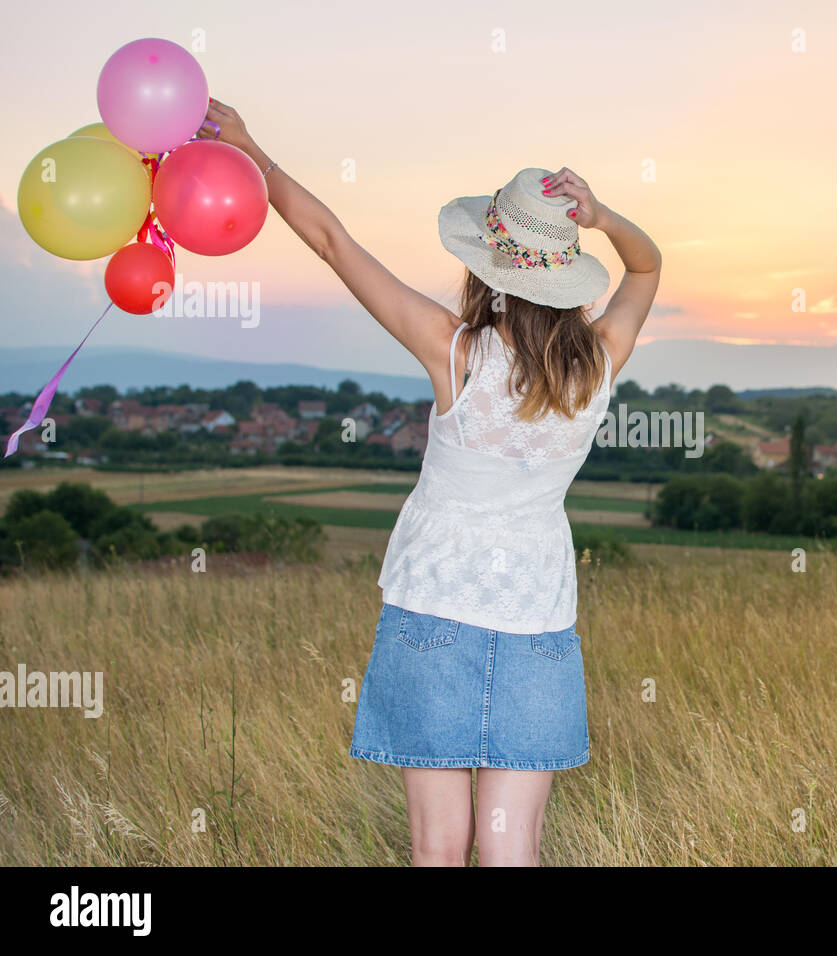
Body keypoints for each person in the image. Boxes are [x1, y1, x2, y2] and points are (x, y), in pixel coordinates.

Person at [198, 99, 661, 866]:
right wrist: (604, 215)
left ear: (488, 267)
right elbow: (646, 266)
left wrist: (251, 152)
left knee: (436, 853)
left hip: (431, 617)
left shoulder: (455, 353)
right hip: (538, 628)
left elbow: (331, 243)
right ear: (567, 274)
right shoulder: (601, 361)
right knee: (513, 854)